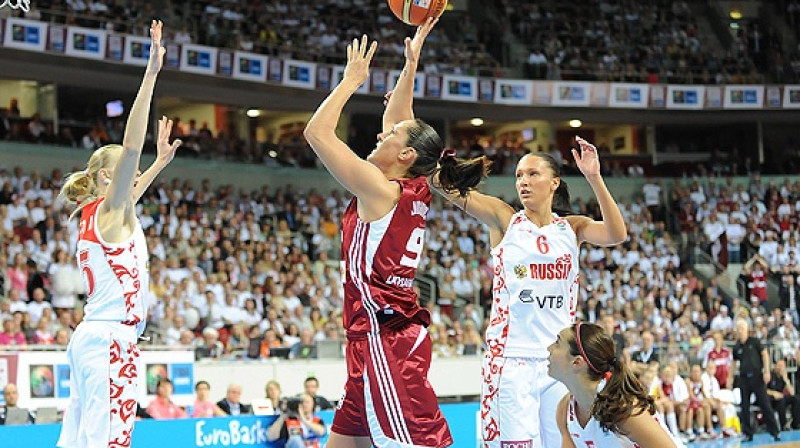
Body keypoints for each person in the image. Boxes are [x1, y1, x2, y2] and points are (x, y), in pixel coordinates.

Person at [303, 21, 485, 448]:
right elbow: (401, 119)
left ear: (404, 155)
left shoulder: (379, 190)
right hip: (371, 339)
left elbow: (316, 132)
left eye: (389, 136)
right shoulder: (415, 183)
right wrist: (411, 62)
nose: (381, 133)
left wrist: (350, 82)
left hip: (387, 342)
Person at [429, 137, 625, 445]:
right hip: (511, 358)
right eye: (520, 175)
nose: (524, 181)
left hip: (557, 361)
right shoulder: (505, 219)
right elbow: (443, 186)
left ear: (554, 182)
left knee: (559, 442)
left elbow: (617, 233)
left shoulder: (571, 228)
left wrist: (594, 177)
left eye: (533, 174)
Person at [57, 21, 183, 448]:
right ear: (110, 177)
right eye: (128, 172)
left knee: (76, 441)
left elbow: (134, 184)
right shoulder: (112, 207)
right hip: (112, 339)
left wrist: (160, 165)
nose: (135, 173)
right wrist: (150, 74)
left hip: (90, 338)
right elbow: (130, 149)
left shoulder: (98, 213)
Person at [547, 322, 686, 448]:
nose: (549, 348)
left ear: (577, 362)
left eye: (557, 343)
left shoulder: (621, 408)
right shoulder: (565, 409)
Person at [731, 318, 780, 442]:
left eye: (742, 329)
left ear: (747, 330)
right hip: (744, 379)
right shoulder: (737, 346)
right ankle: (747, 433)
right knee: (744, 406)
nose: (740, 331)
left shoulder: (755, 342)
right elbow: (733, 363)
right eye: (739, 329)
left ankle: (775, 432)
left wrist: (767, 371)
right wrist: (729, 377)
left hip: (757, 377)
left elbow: (765, 355)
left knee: (764, 404)